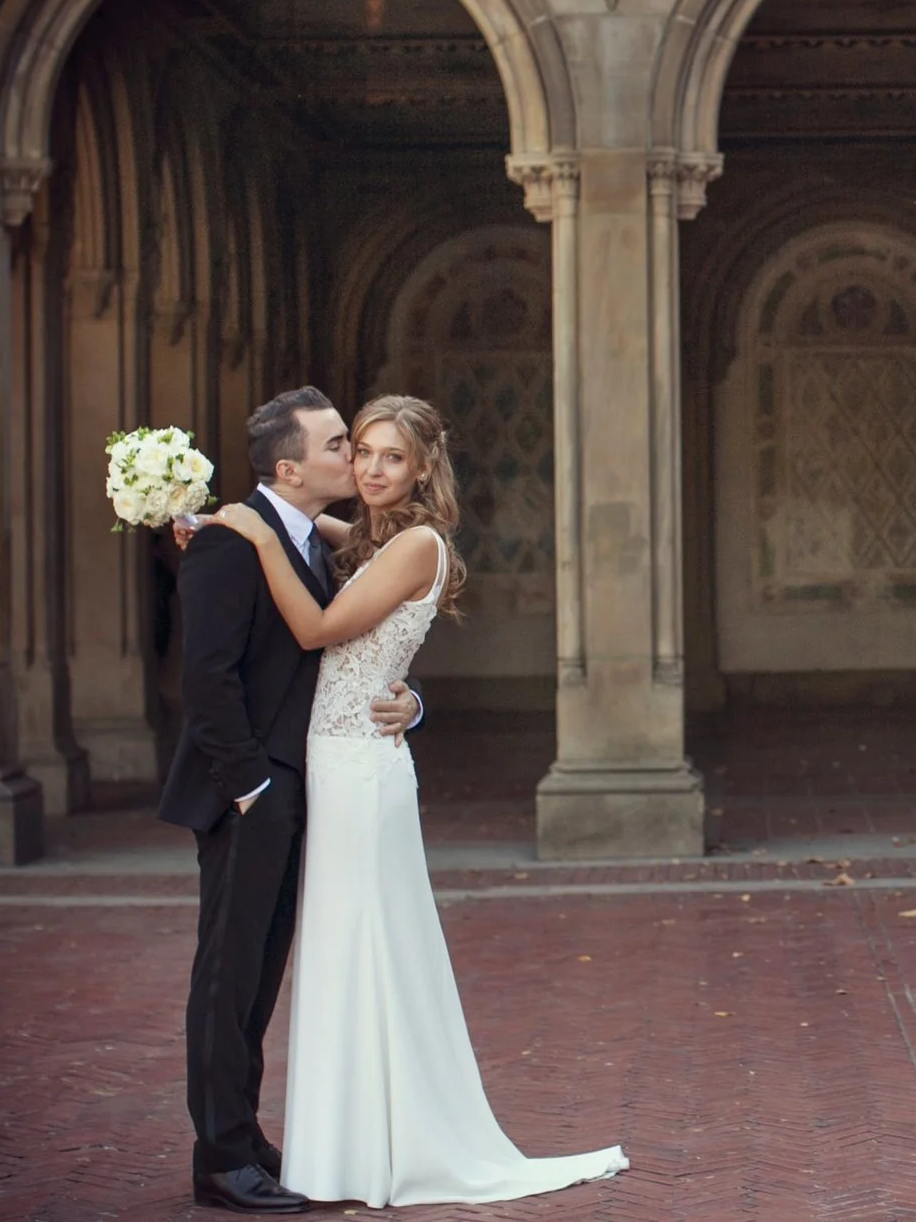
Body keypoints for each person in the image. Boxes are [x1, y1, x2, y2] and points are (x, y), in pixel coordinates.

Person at [212, 393, 627, 1209]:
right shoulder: (378, 537)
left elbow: (317, 628)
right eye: (360, 450)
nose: (370, 467)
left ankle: (384, 1149)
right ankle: (348, 1147)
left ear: (423, 467)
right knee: (345, 951)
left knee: (369, 949)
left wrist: (257, 532)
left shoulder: (417, 543)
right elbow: (323, 536)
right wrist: (249, 519)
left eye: (391, 456)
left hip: (361, 775)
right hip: (336, 764)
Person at [159, 387, 423, 1214]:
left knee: (261, 974)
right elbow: (204, 678)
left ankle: (243, 1135)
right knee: (227, 976)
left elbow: (364, 644)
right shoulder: (228, 544)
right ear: (290, 465)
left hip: (301, 788)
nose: (354, 457)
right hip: (250, 794)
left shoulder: (311, 540)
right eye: (340, 443)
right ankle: (221, 1158)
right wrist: (251, 788)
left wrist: (413, 703)